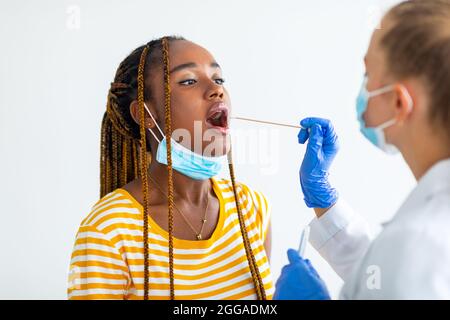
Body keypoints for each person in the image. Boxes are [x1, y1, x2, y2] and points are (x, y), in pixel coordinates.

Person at [68, 36, 274, 300]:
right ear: (144, 115)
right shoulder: (108, 231)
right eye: (188, 80)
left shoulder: (251, 207)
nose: (216, 90)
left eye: (219, 79)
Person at [274, 0, 450, 299]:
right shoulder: (420, 241)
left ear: (399, 103)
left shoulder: (421, 242)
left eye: (368, 75)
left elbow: (403, 269)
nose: (363, 89)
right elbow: (387, 277)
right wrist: (325, 200)